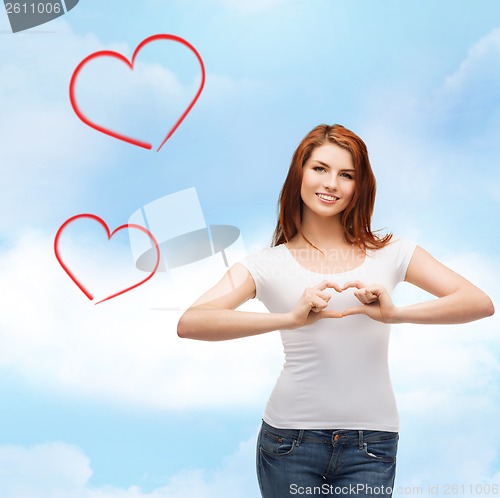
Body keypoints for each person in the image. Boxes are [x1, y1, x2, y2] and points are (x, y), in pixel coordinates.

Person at [177, 124, 494, 497]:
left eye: (346, 175)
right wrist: (290, 319)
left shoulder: (393, 252)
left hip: (371, 443)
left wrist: (394, 315)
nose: (331, 183)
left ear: (360, 187)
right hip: (288, 441)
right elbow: (191, 322)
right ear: (300, 173)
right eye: (320, 169)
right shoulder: (266, 264)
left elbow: (478, 302)